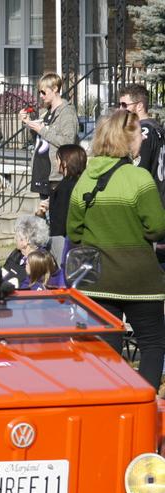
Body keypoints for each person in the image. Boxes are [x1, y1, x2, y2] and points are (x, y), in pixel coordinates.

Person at [67, 109, 165, 388]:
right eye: (137, 135)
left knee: (106, 349)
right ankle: (144, 406)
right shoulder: (139, 179)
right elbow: (157, 227)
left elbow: (73, 231)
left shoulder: (84, 180)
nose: (141, 142)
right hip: (140, 279)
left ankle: (110, 408)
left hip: (98, 279)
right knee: (152, 343)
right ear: (126, 139)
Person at [20, 73, 78, 198]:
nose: (41, 96)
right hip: (42, 171)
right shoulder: (45, 112)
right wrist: (28, 123)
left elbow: (68, 142)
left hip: (56, 175)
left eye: (43, 92)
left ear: (55, 89)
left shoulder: (66, 113)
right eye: (39, 92)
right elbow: (41, 139)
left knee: (55, 214)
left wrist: (42, 130)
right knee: (44, 213)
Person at [37, 144, 86, 263]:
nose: (55, 161)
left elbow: (60, 222)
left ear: (65, 162)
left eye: (57, 158)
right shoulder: (83, 183)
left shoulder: (65, 188)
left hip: (64, 245)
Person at [118, 83, 165, 204]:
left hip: (149, 203)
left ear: (139, 106)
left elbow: (137, 173)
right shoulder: (158, 128)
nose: (121, 109)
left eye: (124, 105)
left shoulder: (143, 131)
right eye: (119, 105)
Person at [3, 215, 51, 289]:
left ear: (27, 240)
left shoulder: (39, 260)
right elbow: (4, 271)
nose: (15, 238)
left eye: (17, 236)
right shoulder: (17, 253)